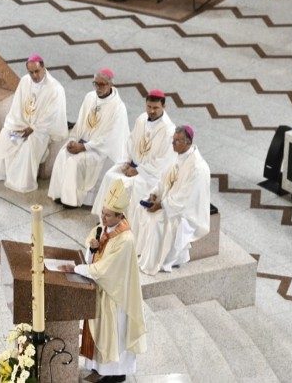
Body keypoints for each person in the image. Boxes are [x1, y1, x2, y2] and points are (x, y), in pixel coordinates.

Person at [58, 179, 147, 383]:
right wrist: (93, 247)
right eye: (103, 213)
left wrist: (76, 268)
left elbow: (105, 270)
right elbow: (94, 253)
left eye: (107, 215)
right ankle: (100, 368)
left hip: (116, 295)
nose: (103, 217)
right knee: (100, 330)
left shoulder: (125, 239)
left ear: (119, 215)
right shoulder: (104, 228)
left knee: (113, 333)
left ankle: (115, 373)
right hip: (102, 289)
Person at [91, 89, 176, 229]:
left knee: (129, 186)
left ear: (164, 107)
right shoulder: (142, 119)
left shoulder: (168, 130)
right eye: (149, 107)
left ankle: (126, 225)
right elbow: (130, 141)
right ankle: (106, 218)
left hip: (150, 174)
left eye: (156, 108)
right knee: (110, 175)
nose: (152, 111)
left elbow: (163, 161)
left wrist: (138, 171)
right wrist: (126, 161)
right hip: (132, 165)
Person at [134, 125, 211, 276]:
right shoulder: (178, 156)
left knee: (158, 220)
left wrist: (162, 205)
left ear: (188, 142)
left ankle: (158, 260)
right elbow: (164, 180)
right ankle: (141, 252)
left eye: (177, 141)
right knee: (139, 208)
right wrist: (155, 193)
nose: (172, 143)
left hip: (185, 213)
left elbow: (185, 198)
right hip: (169, 202)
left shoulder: (197, 167)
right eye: (173, 140)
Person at [47, 68, 129, 208]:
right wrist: (73, 140)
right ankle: (60, 194)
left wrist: (85, 147)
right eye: (95, 84)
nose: (98, 88)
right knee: (63, 154)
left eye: (102, 84)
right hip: (83, 143)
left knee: (74, 161)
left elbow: (109, 138)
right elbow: (80, 123)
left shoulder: (118, 107)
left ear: (110, 85)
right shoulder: (89, 97)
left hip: (101, 150)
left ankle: (71, 201)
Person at [0, 54, 68, 193]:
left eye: (37, 71)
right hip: (23, 123)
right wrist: (15, 125)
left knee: (28, 145)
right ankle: (5, 173)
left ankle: (22, 182)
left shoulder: (55, 88)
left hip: (42, 130)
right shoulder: (25, 81)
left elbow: (51, 116)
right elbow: (16, 107)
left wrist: (32, 128)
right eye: (31, 72)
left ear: (43, 68)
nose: (34, 75)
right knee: (6, 133)